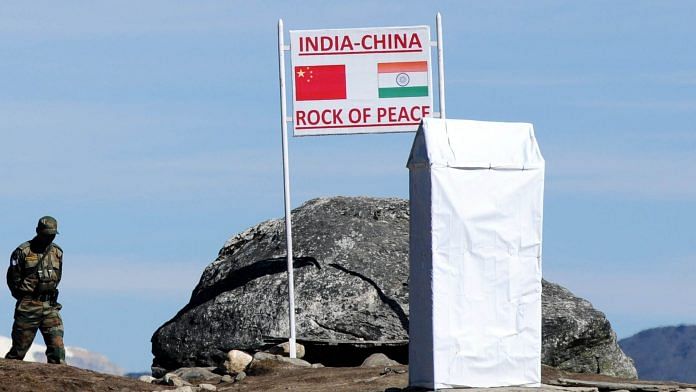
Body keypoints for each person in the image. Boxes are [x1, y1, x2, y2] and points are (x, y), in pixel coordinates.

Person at [5, 216, 65, 364]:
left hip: (50, 306)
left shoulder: (57, 252)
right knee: (18, 352)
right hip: (28, 306)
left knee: (57, 351)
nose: (48, 238)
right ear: (38, 231)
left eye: (51, 235)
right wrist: (24, 296)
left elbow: (58, 276)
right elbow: (12, 278)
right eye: (46, 234)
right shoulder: (23, 252)